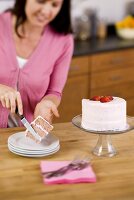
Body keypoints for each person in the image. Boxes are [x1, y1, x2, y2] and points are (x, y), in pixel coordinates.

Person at [0, 0, 74, 128]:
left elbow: (54, 91)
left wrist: (47, 103)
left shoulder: (63, 41)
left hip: (25, 137)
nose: (46, 11)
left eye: (54, 5)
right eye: (41, 1)